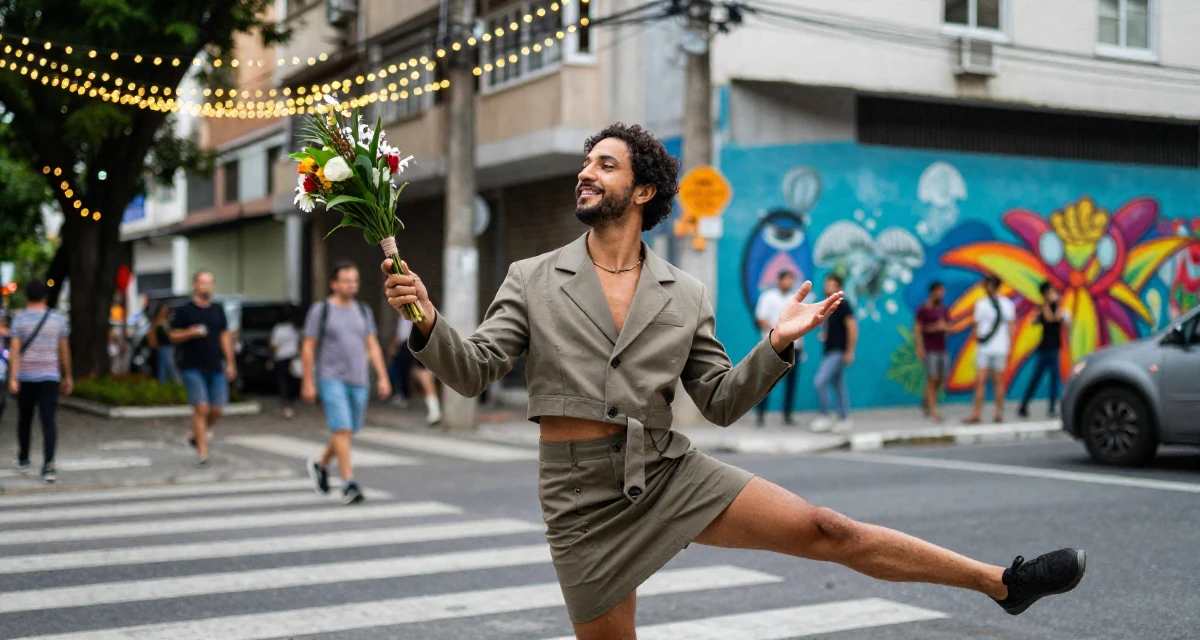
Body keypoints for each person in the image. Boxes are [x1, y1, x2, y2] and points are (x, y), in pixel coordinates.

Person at [383, 123, 1086, 638]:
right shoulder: (532, 277)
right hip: (578, 497)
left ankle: (1001, 582)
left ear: (644, 189)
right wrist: (425, 319)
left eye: (604, 164)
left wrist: (775, 344)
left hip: (665, 470)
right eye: (584, 164)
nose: (585, 174)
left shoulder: (683, 293)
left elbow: (718, 402)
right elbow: (473, 371)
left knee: (827, 526)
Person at [302, 261, 392, 505]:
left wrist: (383, 377)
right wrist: (308, 380)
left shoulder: (363, 311)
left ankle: (320, 464)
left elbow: (372, 345)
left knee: (347, 429)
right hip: (330, 377)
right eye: (346, 280)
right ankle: (349, 483)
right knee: (342, 428)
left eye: (354, 280)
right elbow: (309, 346)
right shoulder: (321, 310)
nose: (351, 285)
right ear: (334, 284)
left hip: (359, 379)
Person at [7, 280, 73, 484]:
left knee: (25, 419)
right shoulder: (57, 319)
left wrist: (12, 377)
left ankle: (24, 458)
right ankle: (48, 466)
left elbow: (15, 351)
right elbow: (64, 350)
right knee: (48, 421)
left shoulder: (19, 319)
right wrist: (68, 375)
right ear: (45, 296)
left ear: (26, 296)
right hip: (50, 377)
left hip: (26, 377)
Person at [170, 270, 236, 468]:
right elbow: (173, 335)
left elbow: (224, 336)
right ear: (195, 285)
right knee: (201, 408)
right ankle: (202, 451)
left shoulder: (217, 310)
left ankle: (195, 434)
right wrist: (190, 332)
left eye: (210, 283)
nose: (206, 287)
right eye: (203, 283)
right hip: (192, 366)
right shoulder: (185, 311)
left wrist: (231, 362)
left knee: (216, 410)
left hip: (215, 365)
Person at [753, 270, 803, 426]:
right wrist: (777, 332)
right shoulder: (768, 297)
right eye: (786, 279)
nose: (788, 283)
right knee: (766, 381)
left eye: (791, 280)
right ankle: (761, 415)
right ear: (780, 280)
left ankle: (787, 415)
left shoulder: (794, 300)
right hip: (772, 345)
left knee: (791, 382)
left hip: (793, 346)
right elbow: (761, 318)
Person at [966, 275, 1017, 424]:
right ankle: (977, 413)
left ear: (993, 286)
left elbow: (1011, 326)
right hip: (984, 347)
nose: (984, 288)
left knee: (998, 382)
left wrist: (1011, 347)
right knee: (980, 380)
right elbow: (976, 327)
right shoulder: (981, 304)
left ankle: (998, 412)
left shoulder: (1007, 304)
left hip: (1000, 347)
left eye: (987, 285)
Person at [811, 273, 856, 433]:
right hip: (830, 349)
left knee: (820, 381)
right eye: (826, 284)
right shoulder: (828, 307)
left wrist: (850, 351)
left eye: (831, 284)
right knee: (838, 385)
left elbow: (852, 327)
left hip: (838, 351)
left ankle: (825, 416)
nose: (827, 287)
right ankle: (844, 418)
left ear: (838, 287)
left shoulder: (842, 305)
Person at [1019, 282, 1070, 418]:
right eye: (1051, 293)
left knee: (1054, 380)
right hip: (1044, 348)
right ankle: (1024, 406)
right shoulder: (1044, 309)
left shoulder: (1060, 309)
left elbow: (1062, 321)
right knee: (1036, 379)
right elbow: (1049, 319)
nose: (1055, 295)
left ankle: (1052, 407)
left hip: (1054, 349)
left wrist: (1056, 305)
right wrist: (1045, 305)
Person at [388, 316, 442, 424]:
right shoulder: (402, 315)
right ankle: (403, 395)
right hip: (405, 345)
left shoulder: (417, 309)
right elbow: (399, 334)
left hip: (418, 343)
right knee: (404, 371)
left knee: (423, 375)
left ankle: (434, 410)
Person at [915, 281, 950, 423]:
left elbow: (950, 327)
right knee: (932, 378)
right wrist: (920, 347)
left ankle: (926, 402)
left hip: (942, 348)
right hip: (930, 349)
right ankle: (934, 412)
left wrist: (944, 327)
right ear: (933, 292)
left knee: (941, 379)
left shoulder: (943, 309)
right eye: (939, 291)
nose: (941, 294)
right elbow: (918, 329)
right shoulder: (923, 310)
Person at [270, 305, 302, 419]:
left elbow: (274, 345)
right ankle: (291, 403)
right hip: (293, 357)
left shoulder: (278, 329)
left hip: (281, 358)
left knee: (283, 382)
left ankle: (286, 404)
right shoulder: (293, 328)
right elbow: (299, 342)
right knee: (292, 381)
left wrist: (271, 356)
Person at [146, 302, 179, 384]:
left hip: (169, 346)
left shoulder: (167, 321)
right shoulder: (156, 323)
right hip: (162, 347)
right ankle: (171, 382)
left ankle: (168, 382)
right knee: (166, 366)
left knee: (167, 365)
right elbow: (151, 334)